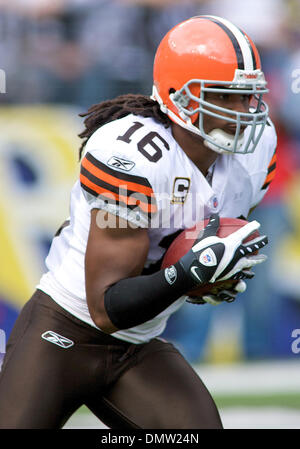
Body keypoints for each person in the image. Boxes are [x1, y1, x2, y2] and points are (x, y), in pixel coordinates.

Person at [0, 15, 276, 429]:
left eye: (249, 96)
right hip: (64, 332)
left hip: (138, 345)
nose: (244, 111)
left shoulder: (255, 153)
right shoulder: (132, 155)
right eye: (226, 96)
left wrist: (209, 276)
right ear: (180, 98)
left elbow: (189, 248)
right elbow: (106, 306)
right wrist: (187, 275)